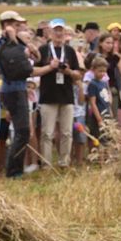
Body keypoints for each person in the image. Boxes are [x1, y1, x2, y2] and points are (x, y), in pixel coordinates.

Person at [33, 19, 81, 167]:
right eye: (56, 30)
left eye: (61, 30)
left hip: (66, 96)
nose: (59, 33)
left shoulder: (70, 51)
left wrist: (68, 71)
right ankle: (47, 164)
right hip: (48, 96)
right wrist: (50, 67)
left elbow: (78, 75)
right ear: (50, 32)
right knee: (47, 133)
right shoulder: (43, 50)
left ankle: (64, 162)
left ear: (65, 32)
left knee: (67, 132)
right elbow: (33, 71)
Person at [0, 11, 36, 178]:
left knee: (23, 131)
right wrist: (14, 40)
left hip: (17, 89)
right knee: (22, 131)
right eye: (16, 25)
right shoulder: (3, 44)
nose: (20, 28)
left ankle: (15, 169)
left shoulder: (11, 43)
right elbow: (19, 61)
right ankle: (13, 171)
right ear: (6, 25)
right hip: (12, 89)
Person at [86, 57, 114, 143]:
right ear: (93, 70)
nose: (102, 74)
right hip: (98, 116)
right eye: (100, 71)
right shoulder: (92, 84)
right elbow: (93, 103)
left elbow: (107, 100)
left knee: (108, 138)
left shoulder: (104, 83)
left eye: (104, 71)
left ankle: (106, 156)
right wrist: (99, 119)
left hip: (106, 114)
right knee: (99, 139)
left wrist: (110, 111)